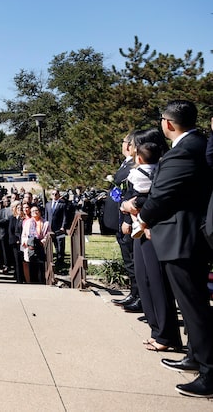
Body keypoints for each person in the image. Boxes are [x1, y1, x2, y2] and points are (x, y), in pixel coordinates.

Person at [126, 100, 213, 398]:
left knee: (194, 305)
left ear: (169, 124)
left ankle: (209, 370)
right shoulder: (197, 145)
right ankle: (195, 354)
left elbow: (163, 195)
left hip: (182, 239)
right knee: (193, 303)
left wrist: (142, 221)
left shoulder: (184, 152)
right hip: (186, 236)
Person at [121, 129, 182, 352]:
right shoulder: (139, 169)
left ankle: (166, 335)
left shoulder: (161, 167)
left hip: (153, 228)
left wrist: (133, 207)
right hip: (140, 229)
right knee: (144, 280)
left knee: (157, 283)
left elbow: (157, 196)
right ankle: (156, 331)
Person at [106, 133, 140, 311]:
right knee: (128, 259)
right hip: (119, 220)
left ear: (129, 145)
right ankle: (134, 293)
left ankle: (139, 295)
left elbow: (131, 193)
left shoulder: (134, 165)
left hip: (127, 220)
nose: (122, 145)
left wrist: (127, 219)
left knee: (132, 260)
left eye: (124, 142)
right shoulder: (127, 163)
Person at [21, 205, 49, 284]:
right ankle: (33, 283)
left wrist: (43, 241)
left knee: (40, 266)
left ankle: (41, 283)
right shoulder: (27, 222)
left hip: (40, 246)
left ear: (39, 212)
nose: (34, 212)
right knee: (31, 266)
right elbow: (24, 235)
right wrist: (27, 242)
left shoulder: (45, 223)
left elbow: (47, 235)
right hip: (30, 247)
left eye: (36, 210)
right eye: (32, 211)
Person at [46, 189, 72, 269]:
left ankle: (60, 261)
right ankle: (51, 261)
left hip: (59, 228)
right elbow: (46, 216)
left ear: (58, 195)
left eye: (56, 194)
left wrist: (63, 226)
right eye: (53, 194)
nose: (54, 195)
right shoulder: (48, 204)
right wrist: (46, 227)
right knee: (51, 245)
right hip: (50, 228)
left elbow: (65, 216)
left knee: (60, 245)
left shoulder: (62, 204)